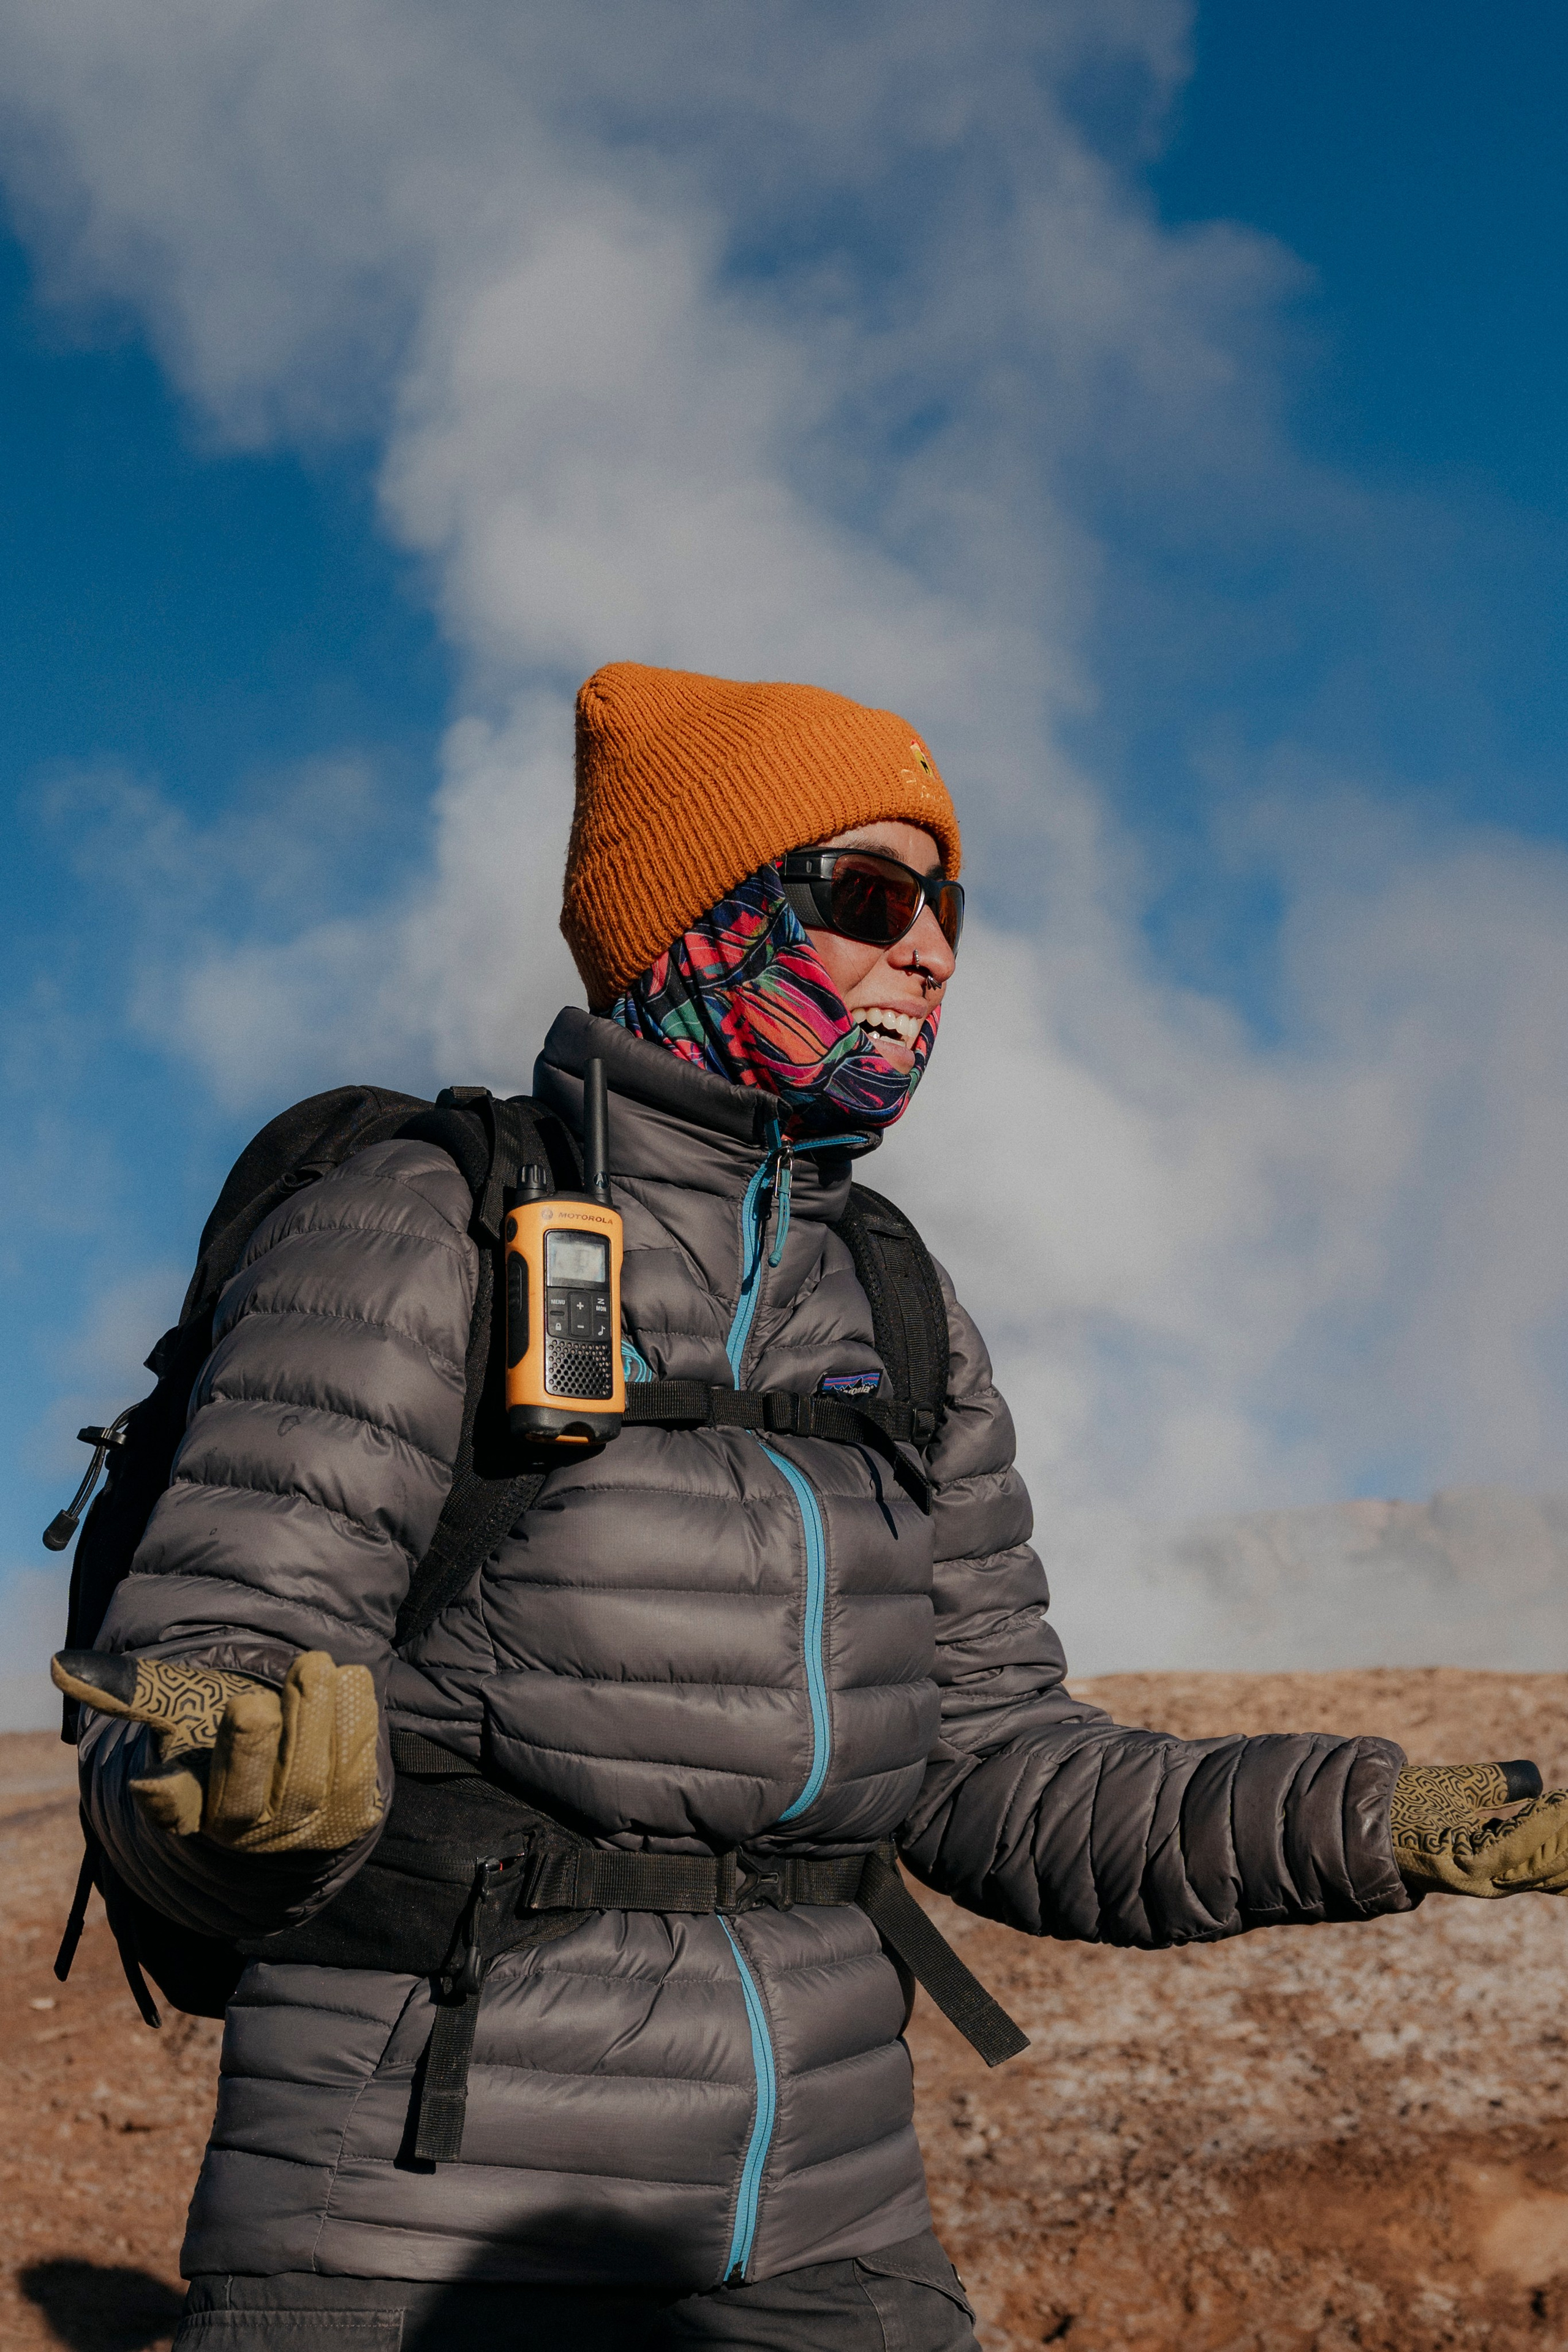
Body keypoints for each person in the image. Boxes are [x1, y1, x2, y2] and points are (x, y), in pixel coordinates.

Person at [54, 662, 1568, 2352]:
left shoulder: (898, 1306)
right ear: (696, 921)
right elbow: (193, 1666)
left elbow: (1001, 1769)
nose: (926, 948)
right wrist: (233, 1781)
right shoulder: (420, 1226)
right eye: (866, 896)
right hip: (414, 2241)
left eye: (950, 911)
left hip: (826, 2242)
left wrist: (1399, 1823)